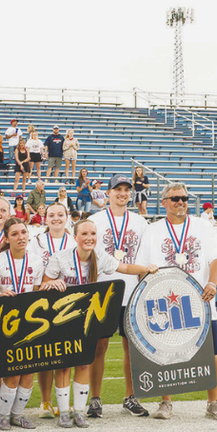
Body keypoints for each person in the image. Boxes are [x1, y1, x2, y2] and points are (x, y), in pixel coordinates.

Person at [42, 219, 158, 427]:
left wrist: (146, 268)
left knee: (84, 363)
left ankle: (79, 411)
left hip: (87, 318)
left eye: (93, 234)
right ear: (75, 237)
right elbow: (42, 285)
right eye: (84, 234)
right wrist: (51, 282)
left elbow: (125, 267)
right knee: (64, 365)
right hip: (64, 318)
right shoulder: (60, 258)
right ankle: (64, 413)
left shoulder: (100, 256)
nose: (89, 238)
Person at [140, 183, 217, 421]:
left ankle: (213, 403)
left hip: (200, 301)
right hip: (165, 304)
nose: (180, 202)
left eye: (184, 198)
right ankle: (166, 402)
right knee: (165, 354)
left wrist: (212, 283)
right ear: (164, 202)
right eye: (175, 198)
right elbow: (143, 268)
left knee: (211, 353)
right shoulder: (152, 230)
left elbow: (216, 259)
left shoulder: (203, 226)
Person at [0, 217, 50, 430]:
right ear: (7, 238)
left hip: (29, 324)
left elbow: (36, 292)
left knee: (29, 372)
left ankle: (16, 415)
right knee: (13, 371)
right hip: (4, 324)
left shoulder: (36, 261)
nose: (21, 237)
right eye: (15, 234)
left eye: (23, 232)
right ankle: (3, 416)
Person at [88, 175, 152, 418]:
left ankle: (131, 396)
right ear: (108, 193)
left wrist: (143, 291)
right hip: (103, 292)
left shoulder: (140, 222)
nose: (123, 193)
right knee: (98, 347)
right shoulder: (95, 220)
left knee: (132, 349)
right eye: (118, 189)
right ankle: (95, 398)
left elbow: (144, 259)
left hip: (132, 293)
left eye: (126, 189)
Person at [33, 203, 76, 417]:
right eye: (52, 215)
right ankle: (45, 402)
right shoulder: (36, 241)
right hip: (41, 302)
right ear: (45, 218)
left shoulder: (74, 241)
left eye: (60, 214)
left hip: (69, 302)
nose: (56, 218)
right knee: (44, 354)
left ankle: (63, 402)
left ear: (67, 217)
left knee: (65, 354)